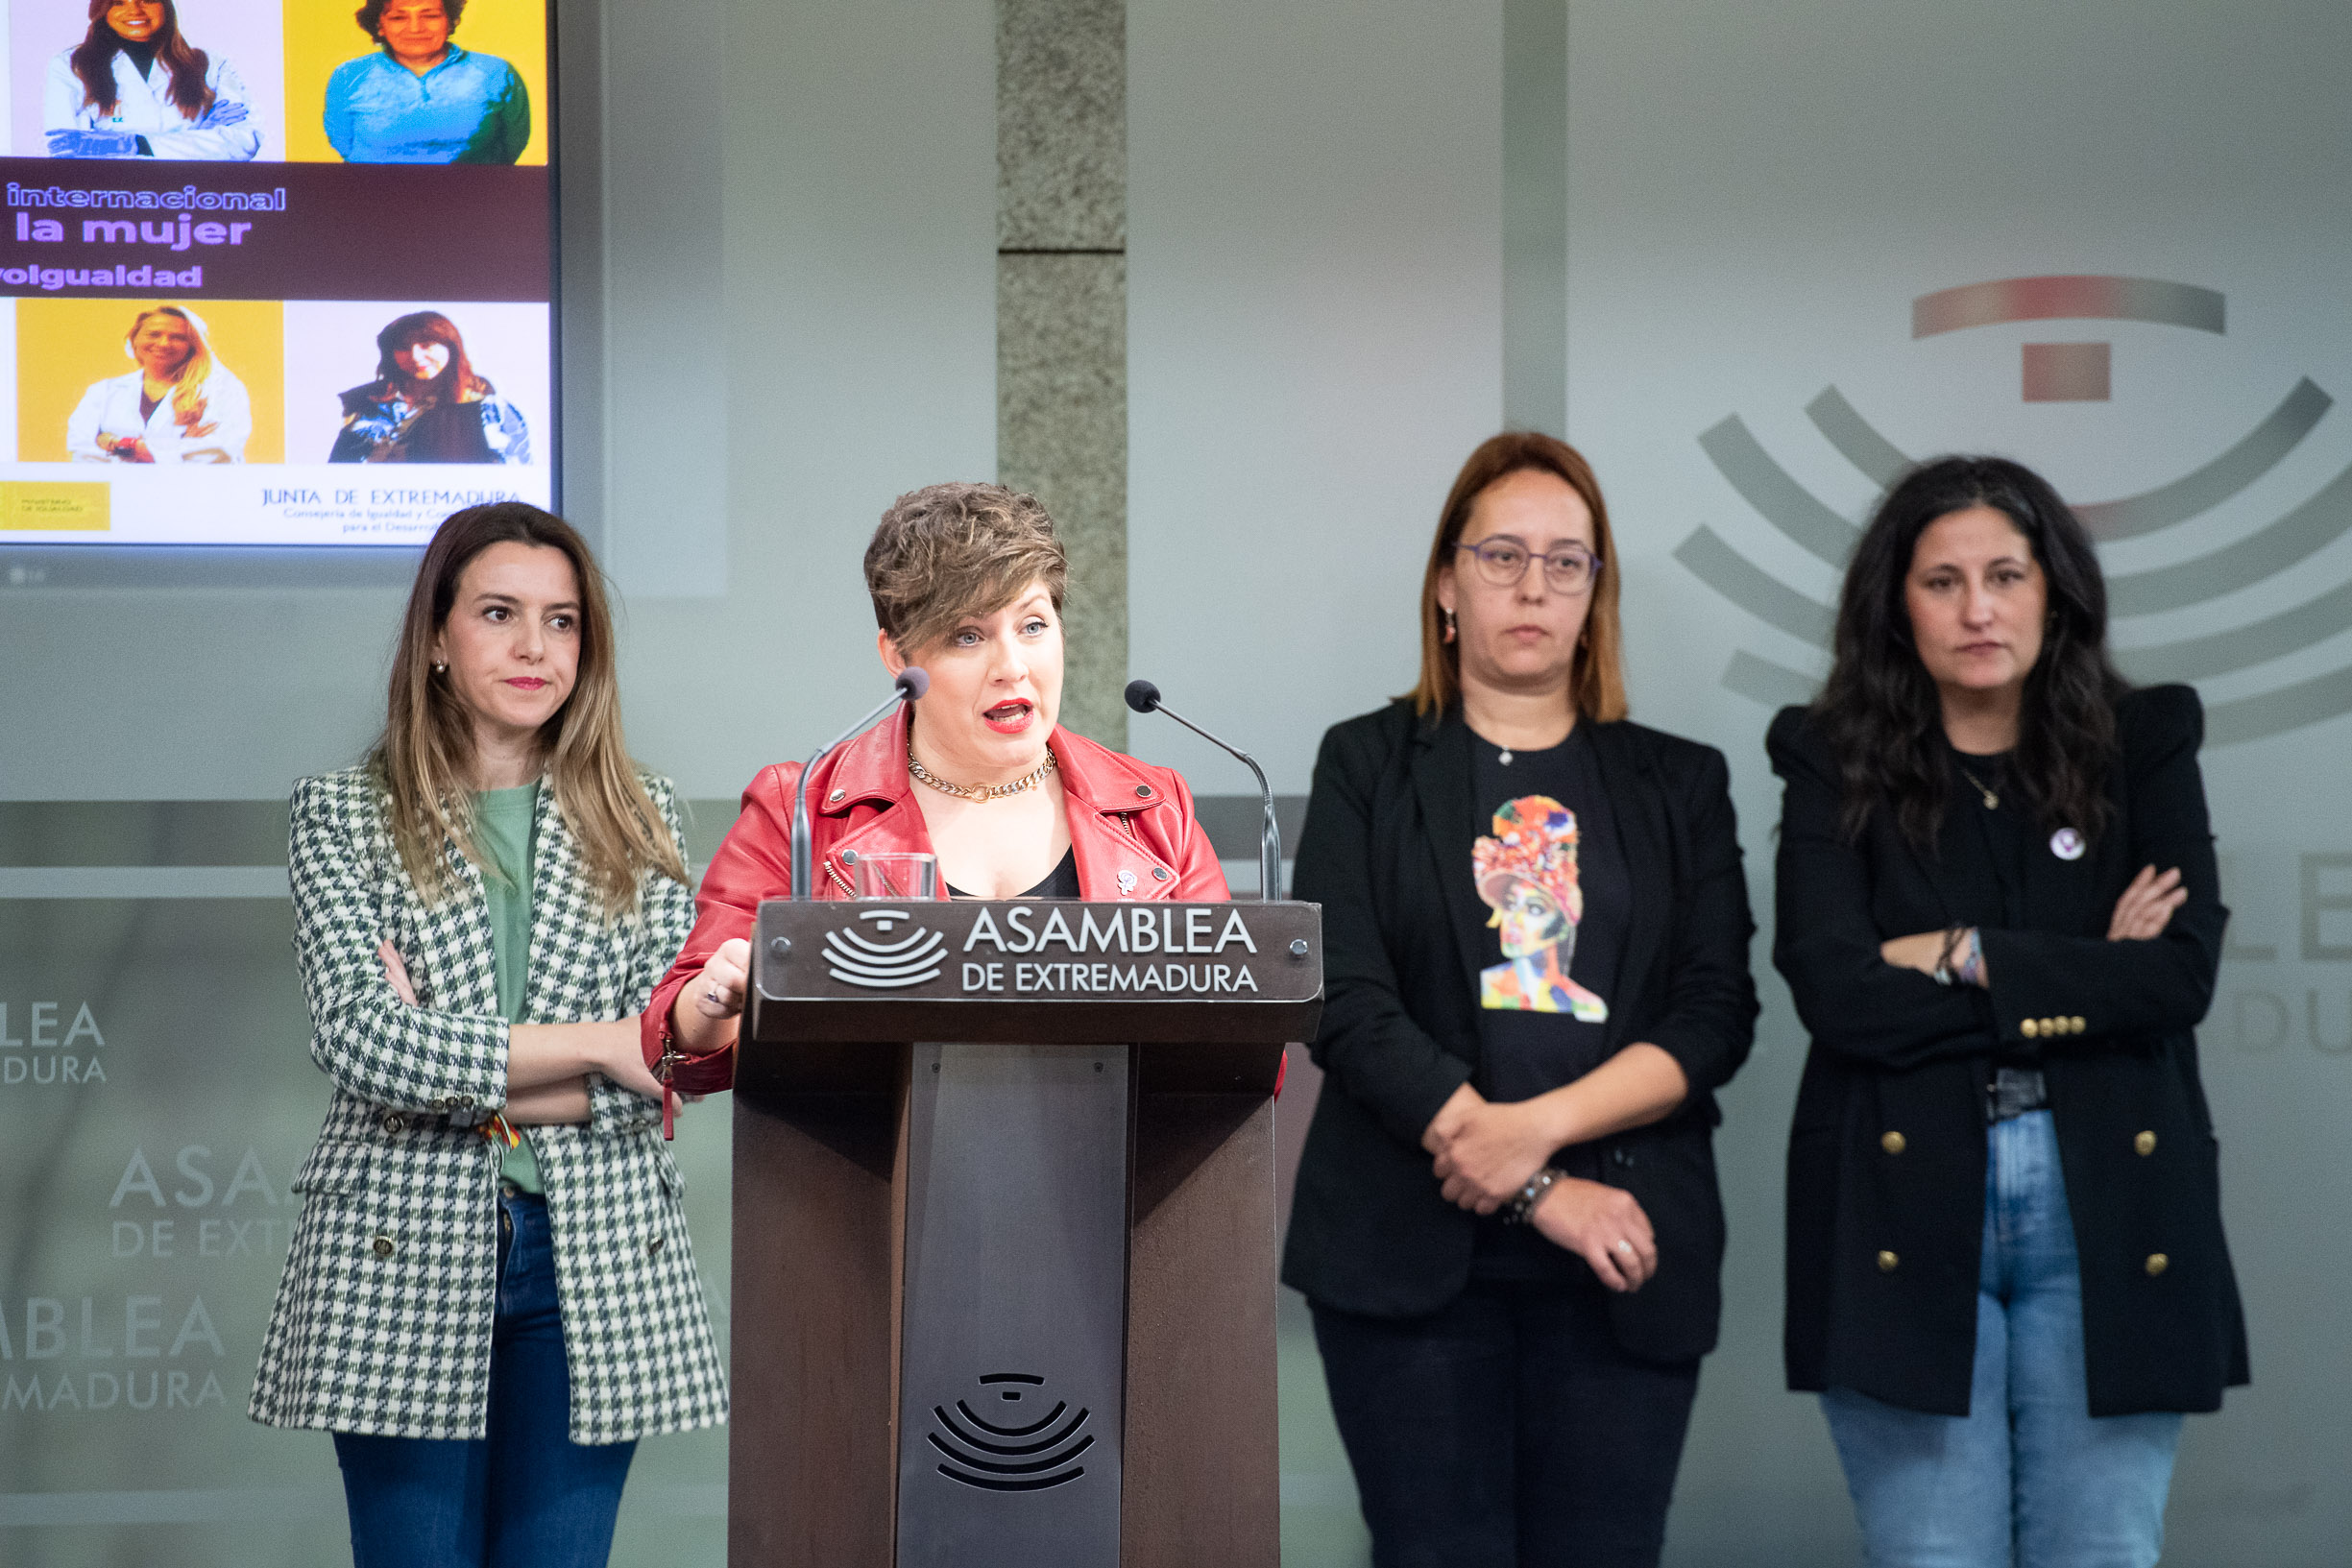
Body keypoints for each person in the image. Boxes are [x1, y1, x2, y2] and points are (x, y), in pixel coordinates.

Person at [1281, 432, 1759, 1568]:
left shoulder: (1678, 781)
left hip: (1622, 1253)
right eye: (1501, 557)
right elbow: (1343, 1000)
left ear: (1597, 594)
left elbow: (1713, 1012)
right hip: (1409, 1259)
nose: (1533, 586)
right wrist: (1541, 1191)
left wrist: (1532, 1138)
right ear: (1446, 584)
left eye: (1566, 561)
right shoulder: (1366, 763)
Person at [1768, 455, 2246, 1568]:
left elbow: (2178, 977)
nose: (1977, 609)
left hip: (2109, 1202)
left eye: (2004, 574)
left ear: (2055, 591)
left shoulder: (2146, 742)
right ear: (1896, 603)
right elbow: (1836, 992)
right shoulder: (1830, 755)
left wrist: (1962, 954)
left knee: (2101, 1553)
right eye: (1941, 581)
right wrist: (2080, 978)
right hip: (1902, 1192)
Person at [249, 503, 728, 1566]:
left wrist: (594, 1056)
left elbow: (658, 1066)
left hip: (595, 1257)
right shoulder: (342, 811)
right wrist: (600, 1043)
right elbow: (364, 1041)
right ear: (434, 637)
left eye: (562, 622)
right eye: (500, 613)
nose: (533, 648)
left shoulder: (642, 812)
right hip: (398, 1253)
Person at [645, 481, 1227, 1092]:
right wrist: (714, 1000)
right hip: (875, 1174)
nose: (1012, 666)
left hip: (1114, 1171)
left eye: (1032, 625)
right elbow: (680, 1042)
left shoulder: (1156, 809)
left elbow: (1242, 1047)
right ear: (898, 658)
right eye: (968, 636)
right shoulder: (801, 810)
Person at [42, 0, 260, 160]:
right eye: (119, 2)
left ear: (165, 6)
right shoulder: (72, 65)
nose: (135, 10)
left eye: (147, 0)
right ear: (102, 11)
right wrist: (201, 139)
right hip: (110, 198)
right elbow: (65, 149)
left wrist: (131, 144)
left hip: (193, 196)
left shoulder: (211, 64)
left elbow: (243, 141)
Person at [325, 0, 529, 165]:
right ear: (379, 26)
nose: (415, 28)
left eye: (430, 15)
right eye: (398, 17)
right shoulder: (349, 75)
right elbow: (342, 142)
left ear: (451, 21)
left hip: (473, 202)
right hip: (373, 201)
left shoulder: (496, 71)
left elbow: (512, 143)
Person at [329, 310, 530, 465]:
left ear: (451, 347)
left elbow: (516, 484)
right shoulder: (358, 403)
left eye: (426, 345)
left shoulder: (489, 409)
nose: (415, 357)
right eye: (403, 348)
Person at [66, 304, 251, 465]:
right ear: (134, 340)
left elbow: (217, 453)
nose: (163, 343)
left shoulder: (221, 391)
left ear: (192, 345)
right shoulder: (102, 392)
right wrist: (177, 446)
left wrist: (120, 445)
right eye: (153, 334)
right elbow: (83, 454)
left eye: (177, 337)